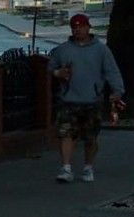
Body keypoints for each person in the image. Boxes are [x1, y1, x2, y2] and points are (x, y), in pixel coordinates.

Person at [48, 12, 124, 182]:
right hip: (68, 100)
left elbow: (111, 71)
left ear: (88, 28)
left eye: (81, 27)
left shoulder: (101, 50)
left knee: (91, 137)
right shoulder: (63, 50)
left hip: (92, 100)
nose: (78, 30)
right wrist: (57, 72)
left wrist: (117, 90)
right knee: (66, 133)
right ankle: (66, 168)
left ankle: (88, 167)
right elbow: (50, 67)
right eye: (74, 27)